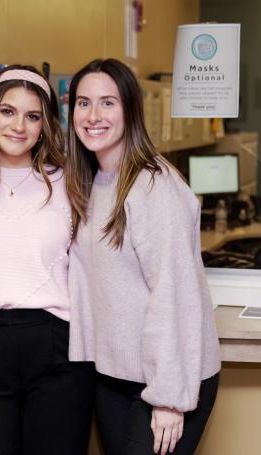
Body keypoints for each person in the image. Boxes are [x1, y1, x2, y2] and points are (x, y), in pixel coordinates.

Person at [65, 58, 221, 455]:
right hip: (114, 376)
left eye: (107, 103)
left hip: (167, 381)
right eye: (83, 103)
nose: (93, 115)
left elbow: (175, 295)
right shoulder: (93, 180)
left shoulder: (153, 186)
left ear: (130, 110)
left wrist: (168, 397)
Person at [0, 65, 95, 455]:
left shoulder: (71, 182)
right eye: (8, 111)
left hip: (58, 350)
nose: (19, 126)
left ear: (45, 124)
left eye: (32, 116)